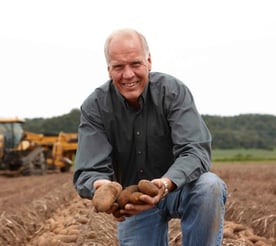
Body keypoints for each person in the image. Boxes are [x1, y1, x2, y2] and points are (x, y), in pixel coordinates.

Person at [73, 28, 227, 246]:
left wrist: (164, 185)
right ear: (108, 69)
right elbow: (88, 169)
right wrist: (103, 188)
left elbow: (195, 150)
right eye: (118, 67)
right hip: (133, 202)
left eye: (135, 64)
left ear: (149, 61)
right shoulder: (95, 106)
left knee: (209, 186)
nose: (128, 75)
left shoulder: (172, 91)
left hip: (177, 188)